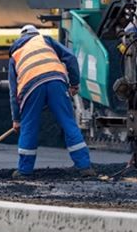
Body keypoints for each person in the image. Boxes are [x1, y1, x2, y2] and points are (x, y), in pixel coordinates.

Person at [8, 24, 95, 179]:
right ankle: (85, 167)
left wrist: (16, 119)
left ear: (21, 37)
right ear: (36, 33)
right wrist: (74, 83)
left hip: (30, 87)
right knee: (69, 123)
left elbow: (13, 91)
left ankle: (24, 171)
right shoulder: (45, 40)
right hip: (56, 81)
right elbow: (71, 58)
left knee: (29, 126)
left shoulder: (15, 53)